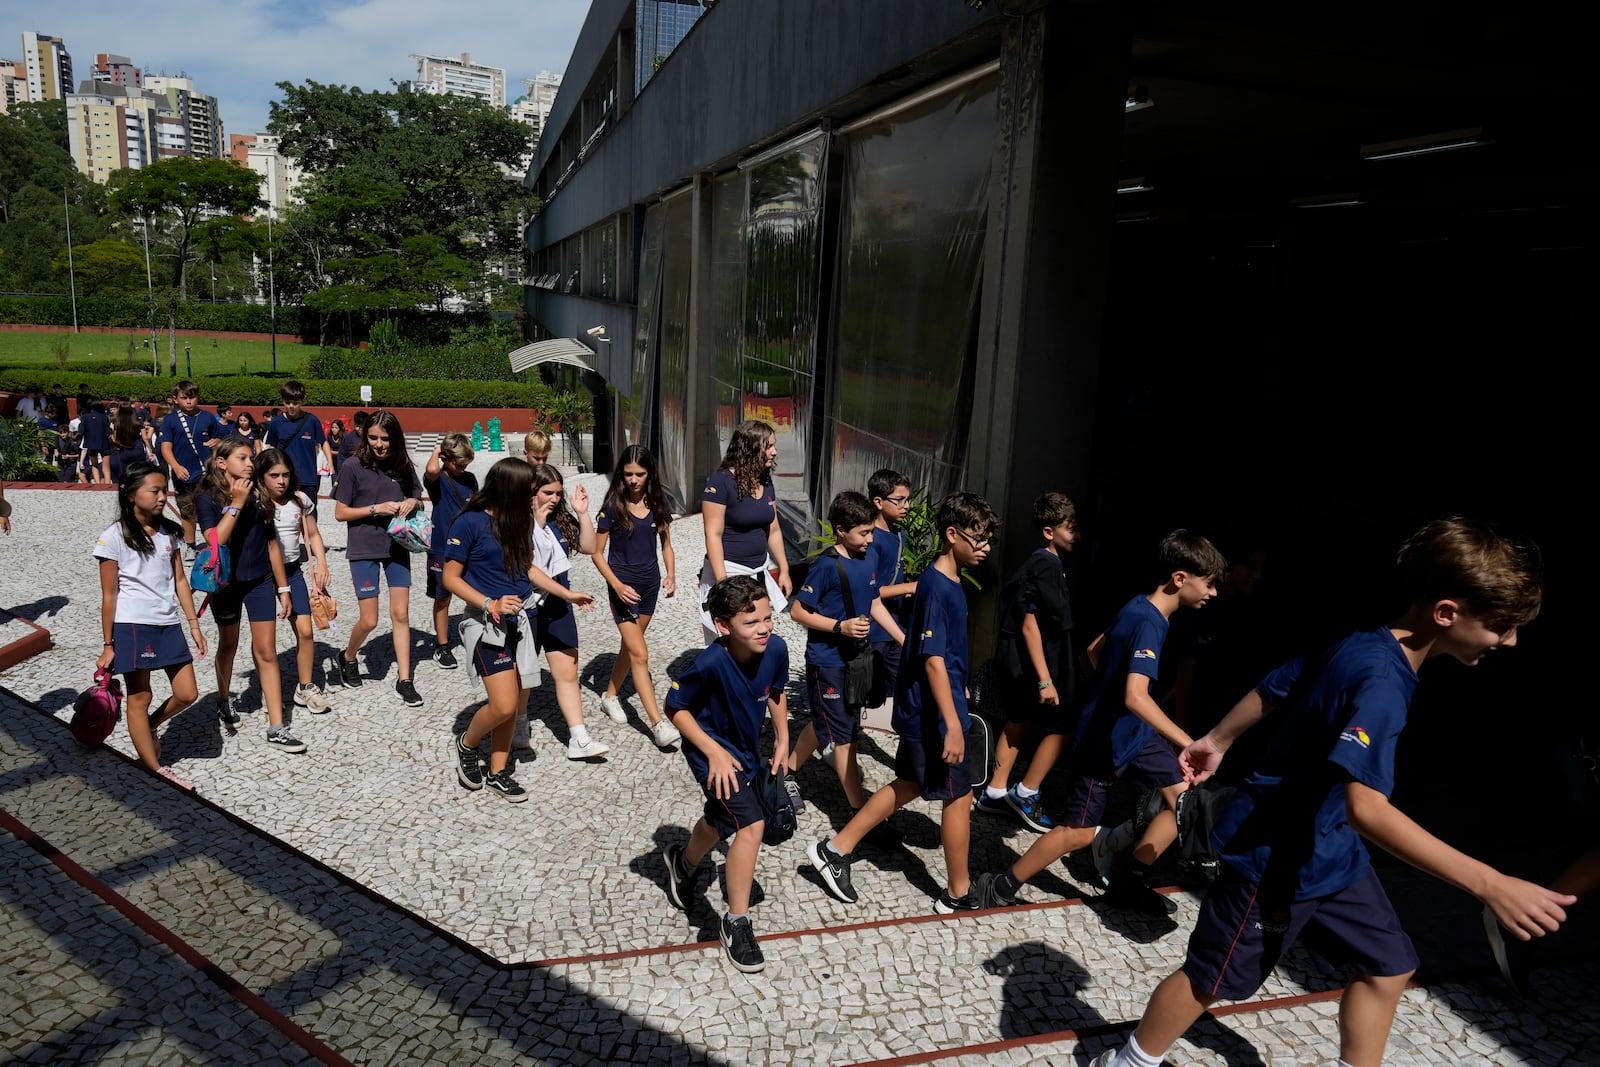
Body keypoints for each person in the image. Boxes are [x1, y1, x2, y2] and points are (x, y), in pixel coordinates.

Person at [1092, 517, 1568, 1067]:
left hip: (1331, 851)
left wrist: (1215, 740)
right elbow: (1367, 808)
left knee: (1390, 966)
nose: (1509, 641)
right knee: (1211, 978)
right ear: (1446, 613)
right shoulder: (1383, 686)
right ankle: (1127, 1061)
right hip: (1271, 857)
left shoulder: (1359, 637)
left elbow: (1279, 682)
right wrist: (1490, 883)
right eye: (1500, 626)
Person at [972, 530, 1226, 915]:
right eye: (1208, 583)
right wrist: (1189, 742)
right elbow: (1135, 696)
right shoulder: (1151, 624)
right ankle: (1002, 885)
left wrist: (1104, 693)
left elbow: (1094, 650)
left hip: (1137, 735)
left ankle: (1130, 880)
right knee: (1075, 833)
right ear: (1179, 578)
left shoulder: (1139, 608)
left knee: (1186, 802)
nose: (1214, 593)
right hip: (1103, 745)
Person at [808, 492, 998, 913]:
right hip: (932, 714)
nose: (985, 548)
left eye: (989, 541)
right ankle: (958, 893)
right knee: (958, 796)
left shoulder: (939, 580)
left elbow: (940, 656)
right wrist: (952, 723)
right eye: (979, 539)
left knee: (910, 784)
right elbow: (932, 661)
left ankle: (835, 850)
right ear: (952, 535)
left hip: (926, 707)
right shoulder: (940, 588)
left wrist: (959, 685)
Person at [661, 575, 791, 972]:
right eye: (751, 623)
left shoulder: (777, 648)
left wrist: (783, 737)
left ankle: (683, 863)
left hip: (749, 750)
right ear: (723, 626)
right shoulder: (710, 662)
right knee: (749, 825)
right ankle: (736, 923)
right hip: (712, 754)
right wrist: (714, 752)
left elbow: (775, 691)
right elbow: (674, 707)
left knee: (722, 819)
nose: (764, 628)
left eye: (767, 618)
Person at [787, 491, 906, 811]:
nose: (870, 539)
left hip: (854, 662)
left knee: (828, 722)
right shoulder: (826, 566)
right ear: (841, 530)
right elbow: (798, 612)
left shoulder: (868, 559)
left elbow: (874, 601)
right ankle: (859, 812)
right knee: (844, 737)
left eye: (871, 531)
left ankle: (786, 770)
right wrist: (841, 627)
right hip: (826, 662)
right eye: (864, 533)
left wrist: (902, 638)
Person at [94, 460, 207, 787]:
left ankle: (151, 725)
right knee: (139, 697)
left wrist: (194, 626)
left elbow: (181, 581)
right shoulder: (112, 537)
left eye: (164, 490)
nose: (162, 497)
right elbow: (109, 595)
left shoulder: (171, 533)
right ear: (130, 495)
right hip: (132, 624)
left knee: (187, 693)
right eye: (154, 491)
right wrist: (108, 644)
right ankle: (154, 768)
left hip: (168, 623)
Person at [974, 491, 1080, 832]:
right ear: (1049, 532)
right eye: (1070, 527)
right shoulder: (1046, 566)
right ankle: (1026, 791)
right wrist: (1046, 680)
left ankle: (994, 791)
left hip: (1023, 666)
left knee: (1018, 721)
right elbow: (1030, 624)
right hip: (1036, 667)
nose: (1076, 534)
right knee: (1062, 726)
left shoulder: (1044, 564)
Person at [196, 436, 305, 753]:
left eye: (251, 457)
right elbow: (216, 540)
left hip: (259, 581)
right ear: (221, 462)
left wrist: (283, 588)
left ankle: (277, 727)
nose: (249, 463)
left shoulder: (261, 494)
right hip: (226, 583)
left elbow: (272, 544)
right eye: (243, 457)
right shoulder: (207, 497)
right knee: (228, 645)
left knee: (267, 651)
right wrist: (237, 502)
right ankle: (222, 697)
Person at [446, 457, 544, 803]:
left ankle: (499, 772)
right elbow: (450, 578)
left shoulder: (519, 521)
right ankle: (468, 744)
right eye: (530, 491)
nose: (533, 497)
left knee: (513, 700)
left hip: (518, 623)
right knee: (503, 705)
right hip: (485, 623)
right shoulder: (469, 522)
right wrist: (490, 603)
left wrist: (563, 593)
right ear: (510, 489)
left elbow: (525, 569)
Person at [332, 410, 426, 707]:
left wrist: (413, 501)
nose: (379, 444)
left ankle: (405, 678)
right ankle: (347, 656)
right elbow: (339, 513)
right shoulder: (351, 466)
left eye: (385, 439)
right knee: (370, 620)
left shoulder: (402, 465)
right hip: (363, 547)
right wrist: (376, 509)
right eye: (373, 437)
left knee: (401, 615)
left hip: (397, 546)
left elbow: (418, 498)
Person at [591, 445, 682, 748]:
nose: (633, 480)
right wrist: (616, 585)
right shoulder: (613, 507)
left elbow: (666, 543)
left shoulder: (658, 503)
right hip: (623, 590)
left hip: (650, 586)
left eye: (639, 474)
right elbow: (596, 553)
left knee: (632, 647)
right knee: (640, 654)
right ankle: (658, 725)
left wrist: (671, 573)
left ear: (649, 474)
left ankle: (609, 696)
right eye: (628, 474)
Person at [520, 463, 606, 759]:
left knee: (567, 671)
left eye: (558, 493)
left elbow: (590, 547)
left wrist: (582, 513)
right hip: (526, 608)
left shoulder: (560, 519)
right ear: (531, 492)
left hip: (558, 606)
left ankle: (579, 738)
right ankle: (519, 725)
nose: (554, 498)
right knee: (525, 673)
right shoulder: (517, 522)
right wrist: (538, 524)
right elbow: (529, 569)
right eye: (547, 492)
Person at [256, 447, 334, 716]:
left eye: (285, 475)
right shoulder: (255, 502)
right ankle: (268, 690)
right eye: (274, 475)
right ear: (261, 476)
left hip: (292, 571)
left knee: (306, 631)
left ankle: (305, 686)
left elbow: (312, 535)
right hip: (261, 577)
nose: (281, 481)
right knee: (265, 641)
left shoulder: (299, 501)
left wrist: (320, 564)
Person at [698, 419, 791, 645]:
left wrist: (784, 569)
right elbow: (713, 535)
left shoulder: (766, 482)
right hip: (728, 572)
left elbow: (774, 529)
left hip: (758, 572)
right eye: (768, 446)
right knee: (728, 642)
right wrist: (723, 585)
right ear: (749, 448)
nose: (774, 452)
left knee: (756, 638)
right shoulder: (721, 483)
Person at [424, 432, 478, 669]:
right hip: (441, 546)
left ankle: (475, 633)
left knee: (475, 590)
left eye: (466, 463)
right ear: (446, 458)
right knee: (443, 596)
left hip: (468, 544)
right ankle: (442, 644)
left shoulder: (470, 479)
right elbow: (433, 471)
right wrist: (437, 452)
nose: (462, 468)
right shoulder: (438, 480)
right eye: (458, 464)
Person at [866, 469, 918, 717]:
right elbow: (870, 591)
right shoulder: (870, 539)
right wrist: (909, 587)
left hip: (897, 623)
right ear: (878, 501)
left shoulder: (900, 534)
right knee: (867, 690)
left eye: (908, 499)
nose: (906, 506)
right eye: (899, 500)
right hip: (874, 628)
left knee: (901, 684)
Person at [159, 381, 222, 554]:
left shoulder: (208, 417)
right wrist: (175, 466)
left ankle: (215, 544)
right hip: (183, 473)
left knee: (211, 509)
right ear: (175, 399)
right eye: (184, 398)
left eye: (192, 397)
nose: (188, 401)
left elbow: (219, 440)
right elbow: (165, 447)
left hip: (207, 473)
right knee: (187, 511)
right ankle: (191, 546)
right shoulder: (170, 420)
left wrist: (216, 442)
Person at [263, 380, 331, 520]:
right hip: (284, 477)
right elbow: (272, 448)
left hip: (308, 476)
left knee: (309, 513)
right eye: (287, 403)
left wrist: (330, 462)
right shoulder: (276, 423)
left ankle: (310, 541)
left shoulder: (311, 420)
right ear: (283, 401)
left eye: (295, 403)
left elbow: (323, 442)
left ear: (303, 401)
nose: (291, 406)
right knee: (283, 513)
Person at [108, 407, 147, 484]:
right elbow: (145, 437)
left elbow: (115, 439)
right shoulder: (138, 423)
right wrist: (150, 449)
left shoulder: (117, 424)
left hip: (124, 448)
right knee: (139, 474)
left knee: (124, 474)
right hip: (138, 447)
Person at [79, 400, 112, 485]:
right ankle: (107, 484)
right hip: (104, 443)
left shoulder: (85, 417)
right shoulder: (104, 417)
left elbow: (81, 432)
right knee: (106, 467)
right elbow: (107, 433)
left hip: (91, 443)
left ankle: (98, 484)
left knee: (94, 465)